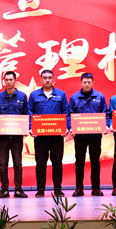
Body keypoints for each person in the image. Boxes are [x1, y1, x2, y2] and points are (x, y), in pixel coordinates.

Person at [28, 69, 70, 197]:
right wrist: (31, 128)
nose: (47, 80)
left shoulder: (61, 94)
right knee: (40, 163)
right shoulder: (34, 95)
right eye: (45, 77)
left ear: (53, 79)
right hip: (40, 136)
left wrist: (66, 127)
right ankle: (40, 190)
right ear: (41, 79)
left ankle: (58, 189)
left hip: (57, 136)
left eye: (49, 77)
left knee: (57, 163)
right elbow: (30, 112)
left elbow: (66, 112)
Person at [69, 72, 110, 197]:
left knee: (95, 162)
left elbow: (105, 113)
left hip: (95, 136)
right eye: (84, 82)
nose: (87, 84)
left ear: (93, 83)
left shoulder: (100, 96)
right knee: (79, 162)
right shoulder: (74, 97)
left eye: (89, 82)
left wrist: (106, 125)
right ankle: (79, 188)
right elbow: (70, 115)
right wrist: (70, 127)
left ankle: (96, 188)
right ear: (80, 83)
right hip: (80, 136)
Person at [0, 71, 29, 198]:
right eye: (6, 80)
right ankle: (4, 190)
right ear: (4, 81)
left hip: (17, 137)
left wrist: (26, 128)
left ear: (15, 81)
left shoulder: (22, 96)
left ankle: (18, 189)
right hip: (3, 137)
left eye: (11, 79)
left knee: (18, 164)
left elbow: (26, 114)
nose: (8, 82)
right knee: (3, 164)